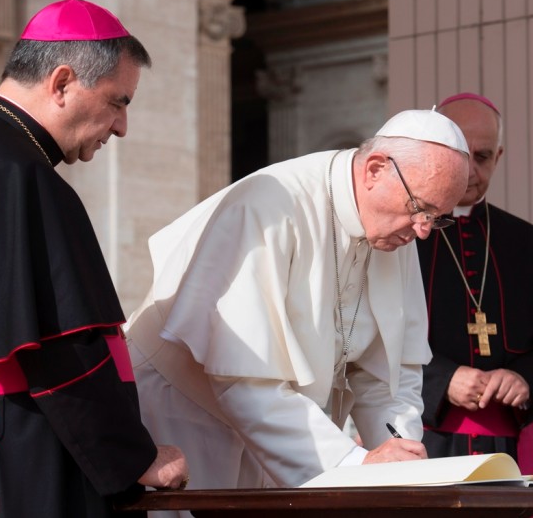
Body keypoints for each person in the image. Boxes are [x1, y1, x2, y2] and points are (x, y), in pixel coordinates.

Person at [0, 0, 188, 518]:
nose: (122, 126)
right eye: (117, 101)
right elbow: (61, 351)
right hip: (12, 450)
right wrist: (134, 457)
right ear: (61, 83)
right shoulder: (19, 176)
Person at [125, 109, 470, 505]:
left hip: (287, 431)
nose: (424, 230)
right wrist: (352, 463)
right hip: (188, 414)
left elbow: (391, 375)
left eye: (438, 218)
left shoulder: (397, 230)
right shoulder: (272, 204)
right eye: (420, 208)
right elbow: (243, 379)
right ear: (375, 169)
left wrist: (398, 458)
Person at [417, 93, 533, 475]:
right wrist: (440, 379)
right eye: (459, 154)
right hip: (417, 442)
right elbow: (364, 344)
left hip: (508, 452)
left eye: (481, 157)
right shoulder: (401, 237)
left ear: (498, 158)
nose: (470, 171)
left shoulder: (528, 243)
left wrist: (525, 379)